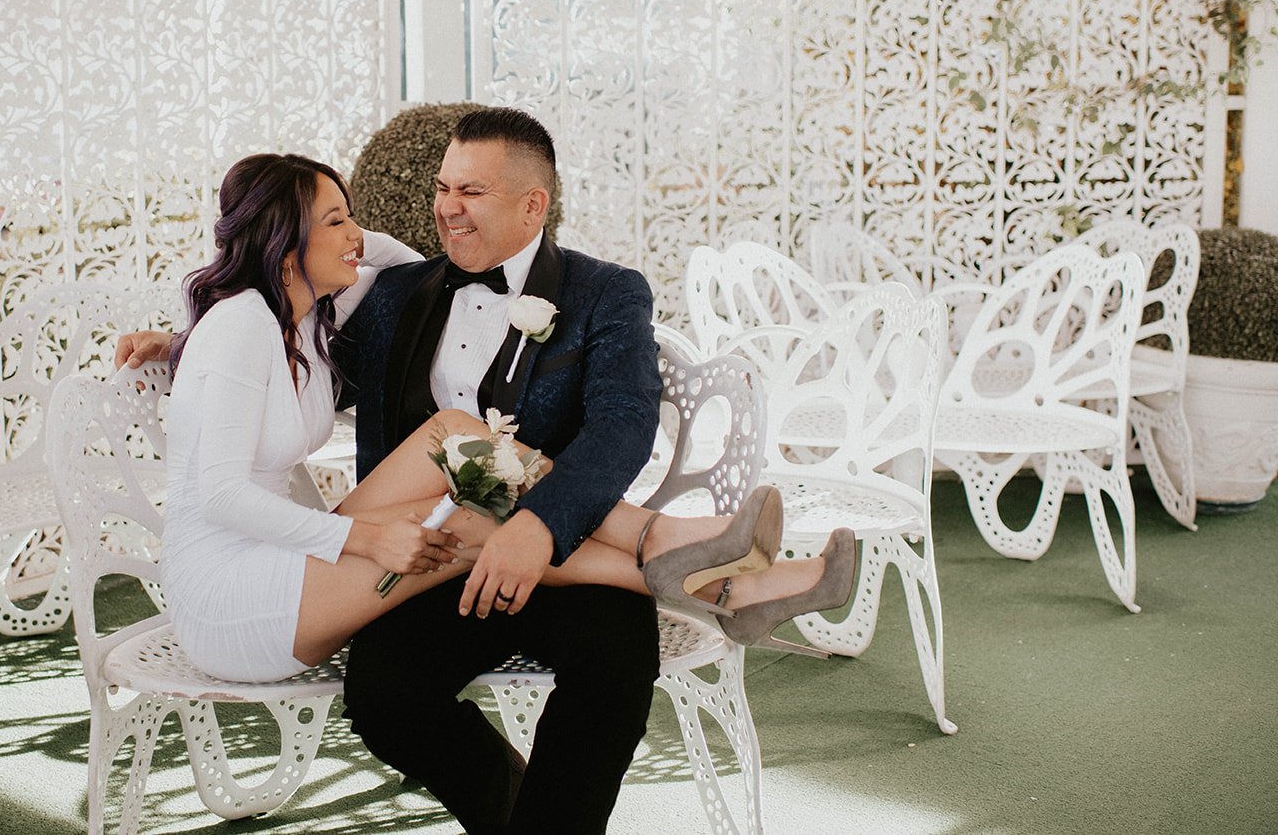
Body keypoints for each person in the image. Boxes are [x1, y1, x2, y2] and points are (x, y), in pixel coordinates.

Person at [117, 113, 856, 834]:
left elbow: (623, 426)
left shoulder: (605, 291)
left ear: (533, 205)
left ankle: (701, 577)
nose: (446, 206)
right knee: (387, 694)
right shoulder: (393, 295)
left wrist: (540, 526)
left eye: (470, 191)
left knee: (613, 670)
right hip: (424, 550)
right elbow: (269, 326)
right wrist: (189, 342)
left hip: (569, 543)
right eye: (443, 187)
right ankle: (701, 566)